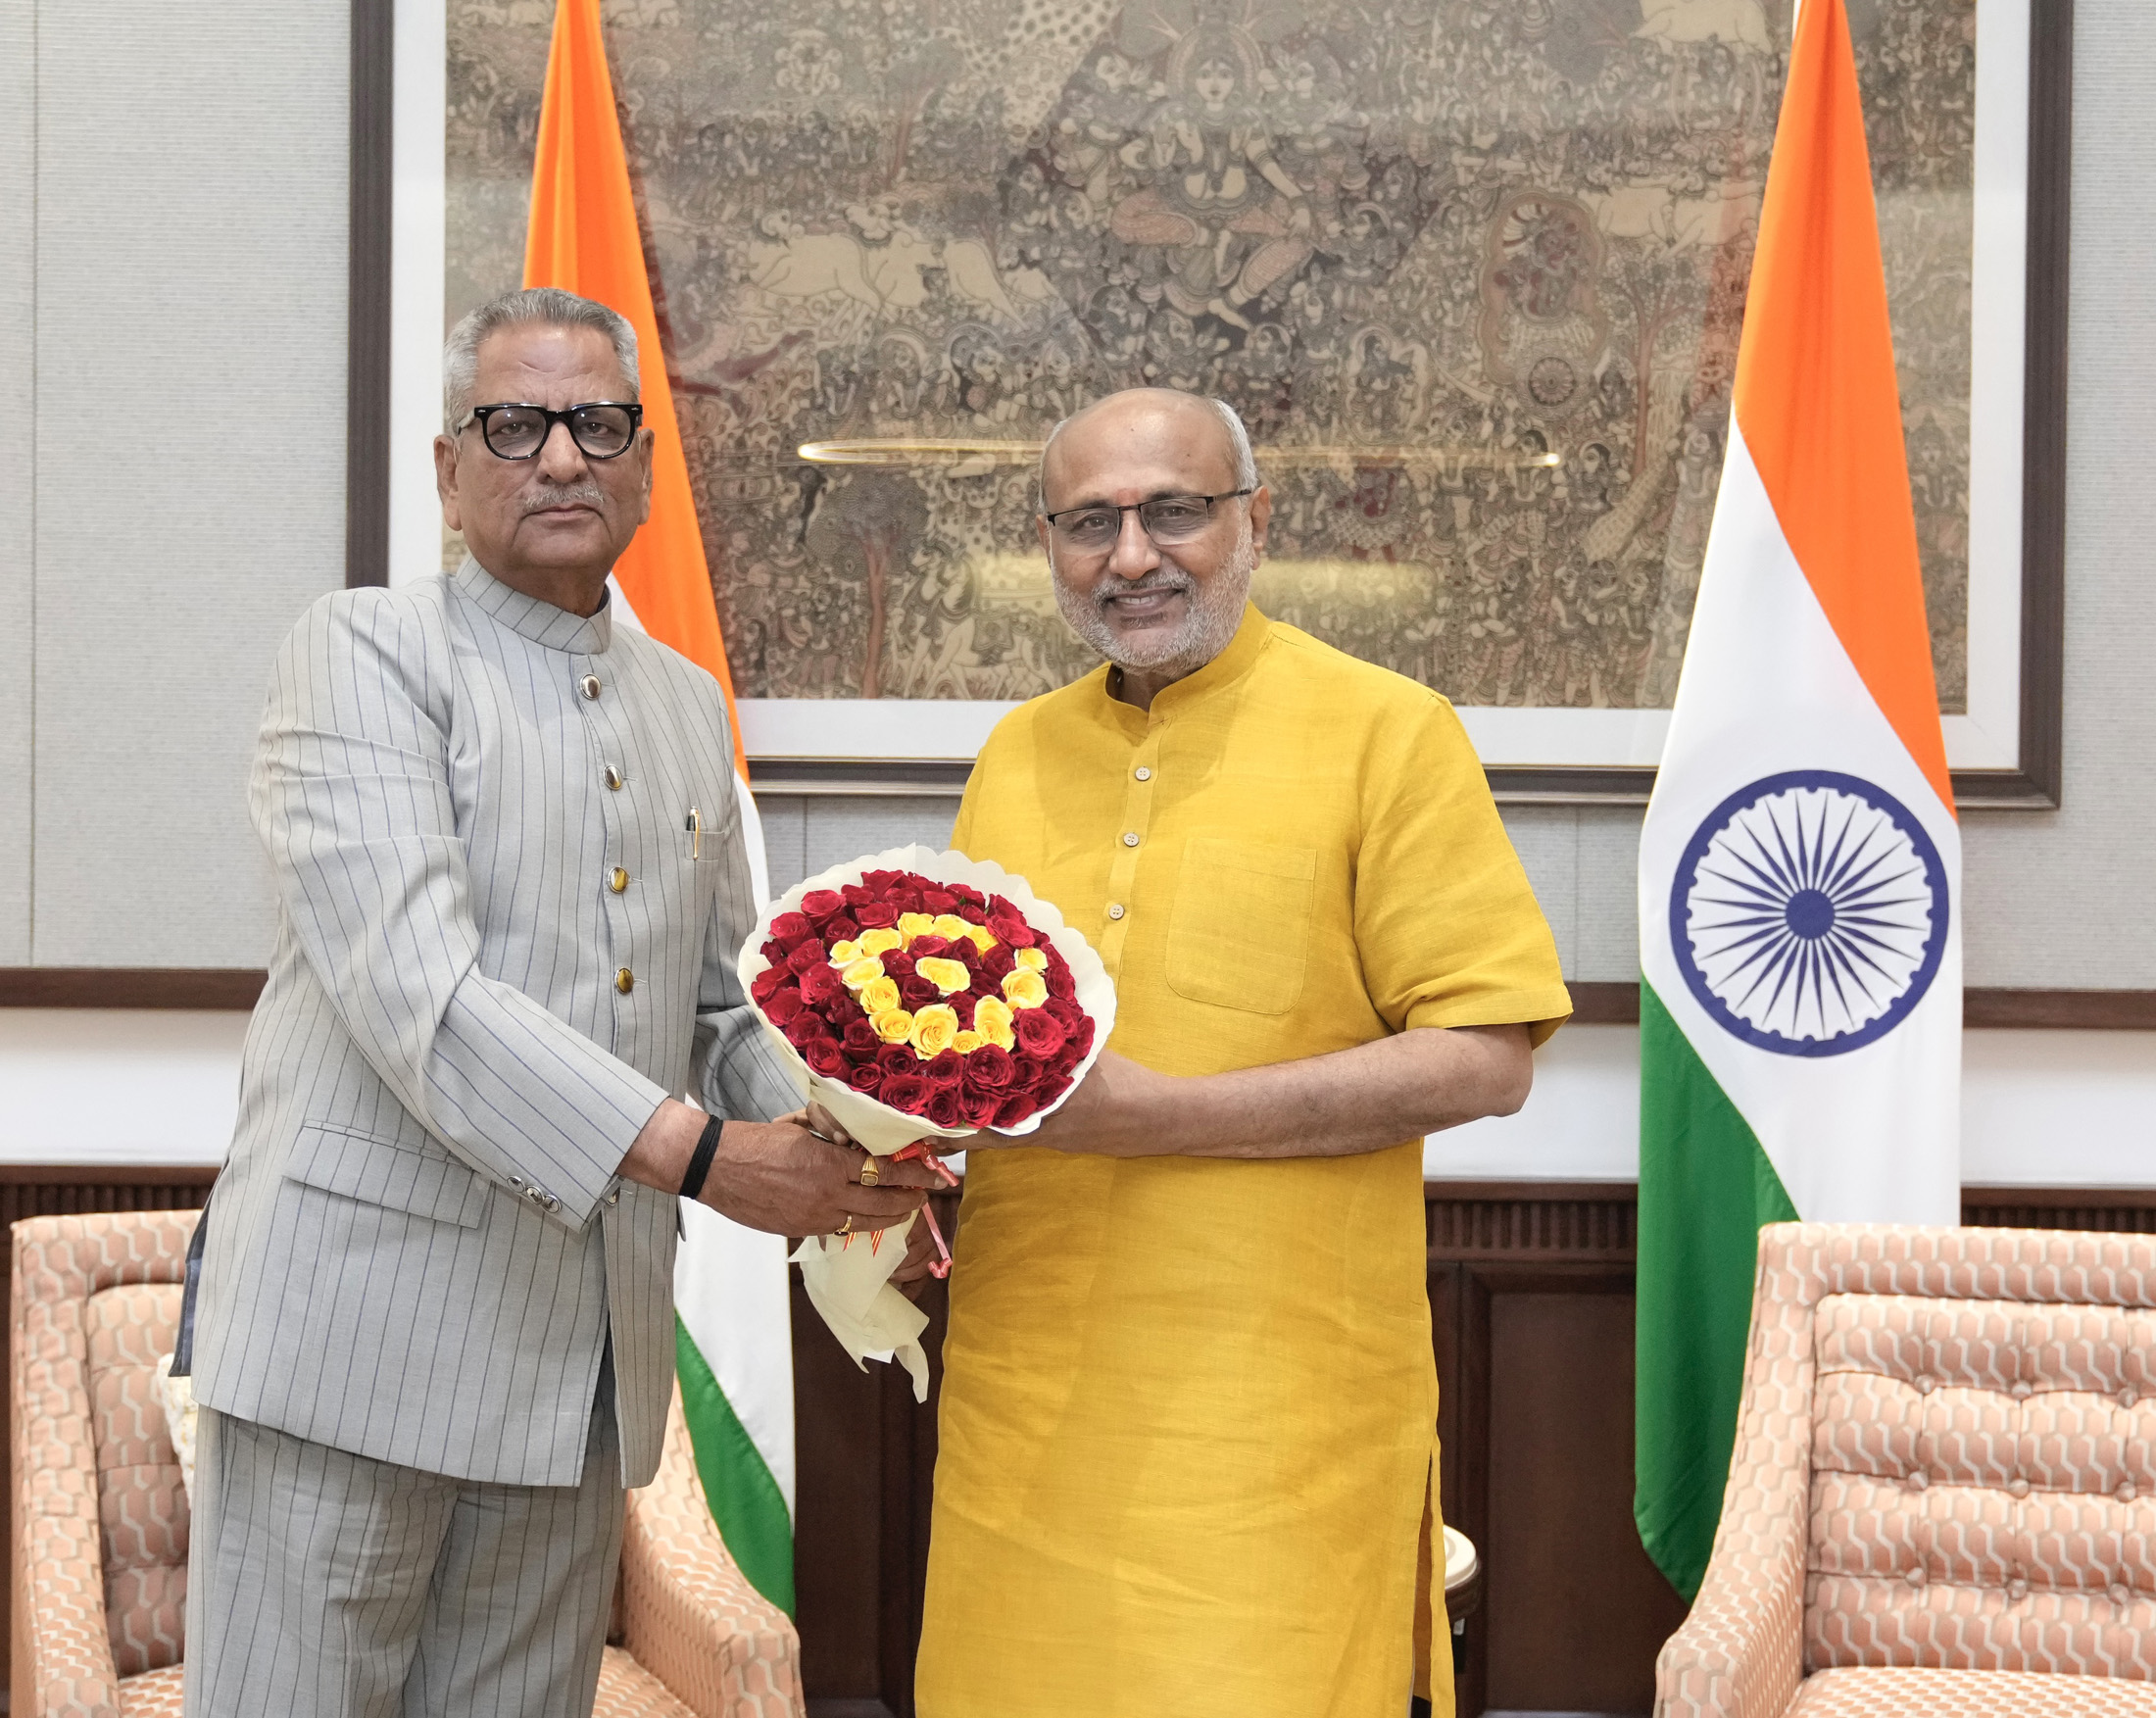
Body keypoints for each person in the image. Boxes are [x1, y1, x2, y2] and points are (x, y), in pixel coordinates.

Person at [181, 286, 932, 1718]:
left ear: (646, 461)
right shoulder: (363, 654)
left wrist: (858, 1144)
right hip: (351, 1351)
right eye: (515, 425)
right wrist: (716, 1161)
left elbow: (716, 1013)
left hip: (575, 1375)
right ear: (450, 467)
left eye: (598, 424)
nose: (562, 459)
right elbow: (427, 999)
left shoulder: (680, 702)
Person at [914, 388, 1571, 1718]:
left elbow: (1488, 1055)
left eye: (1174, 512)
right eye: (1091, 522)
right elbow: (975, 1050)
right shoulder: (1013, 757)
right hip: (1024, 1404)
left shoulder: (1389, 729)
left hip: (1278, 1420)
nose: (1133, 555)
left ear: (1255, 521)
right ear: (1050, 545)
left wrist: (1155, 1115)